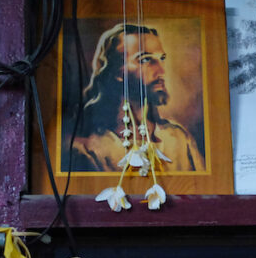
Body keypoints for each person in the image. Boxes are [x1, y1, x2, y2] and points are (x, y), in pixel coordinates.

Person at [70, 23, 205, 173]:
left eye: (161, 59)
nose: (161, 71)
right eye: (145, 60)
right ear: (117, 71)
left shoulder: (178, 139)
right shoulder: (90, 148)